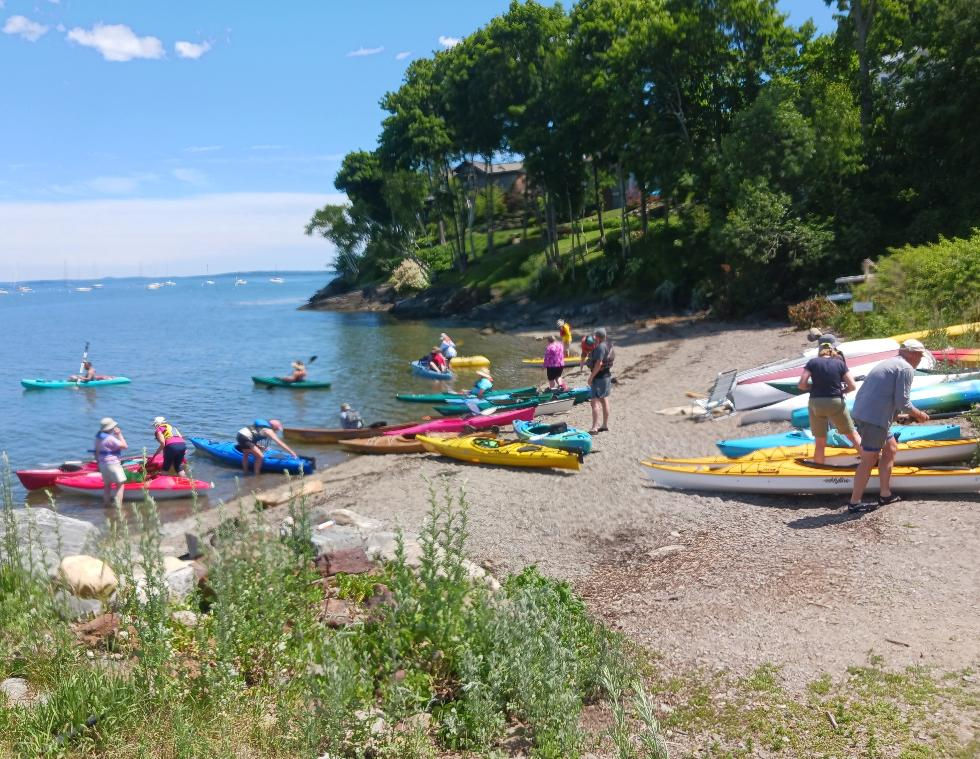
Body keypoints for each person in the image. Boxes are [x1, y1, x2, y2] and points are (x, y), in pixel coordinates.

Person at [846, 339, 930, 513]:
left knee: (891, 448)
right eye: (920, 354)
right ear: (911, 354)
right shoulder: (905, 368)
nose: (921, 358)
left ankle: (885, 494)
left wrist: (898, 416)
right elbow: (904, 402)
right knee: (869, 460)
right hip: (874, 420)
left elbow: (883, 396)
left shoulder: (892, 363)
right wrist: (919, 415)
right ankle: (854, 503)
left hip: (868, 415)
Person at [797, 339, 861, 463]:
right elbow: (852, 386)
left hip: (816, 402)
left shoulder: (812, 363)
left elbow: (801, 385)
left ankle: (818, 469)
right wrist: (842, 391)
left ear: (819, 352)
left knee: (820, 441)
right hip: (835, 401)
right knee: (852, 435)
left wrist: (812, 387)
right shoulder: (839, 363)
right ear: (832, 351)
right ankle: (872, 461)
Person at [235, 418, 299, 475]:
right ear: (273, 427)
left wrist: (259, 446)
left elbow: (253, 436)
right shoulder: (269, 431)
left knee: (246, 454)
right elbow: (280, 443)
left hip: (240, 435)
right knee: (260, 457)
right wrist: (292, 452)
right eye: (277, 429)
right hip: (245, 438)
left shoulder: (262, 427)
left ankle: (245, 472)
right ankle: (256, 474)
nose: (277, 430)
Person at [94, 417, 128, 509]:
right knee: (120, 485)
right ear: (110, 428)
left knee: (107, 486)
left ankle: (106, 504)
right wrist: (119, 434)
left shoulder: (98, 437)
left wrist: (98, 464)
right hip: (113, 464)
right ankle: (118, 508)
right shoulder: (110, 438)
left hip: (102, 464)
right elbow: (125, 446)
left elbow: (96, 453)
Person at [586, 327, 614, 434]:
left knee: (594, 403)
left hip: (599, 378)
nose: (593, 337)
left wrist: (591, 377)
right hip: (607, 376)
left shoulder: (600, 347)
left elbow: (599, 364)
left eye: (595, 335)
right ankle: (605, 425)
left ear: (597, 337)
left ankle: (594, 427)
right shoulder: (609, 345)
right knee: (604, 400)